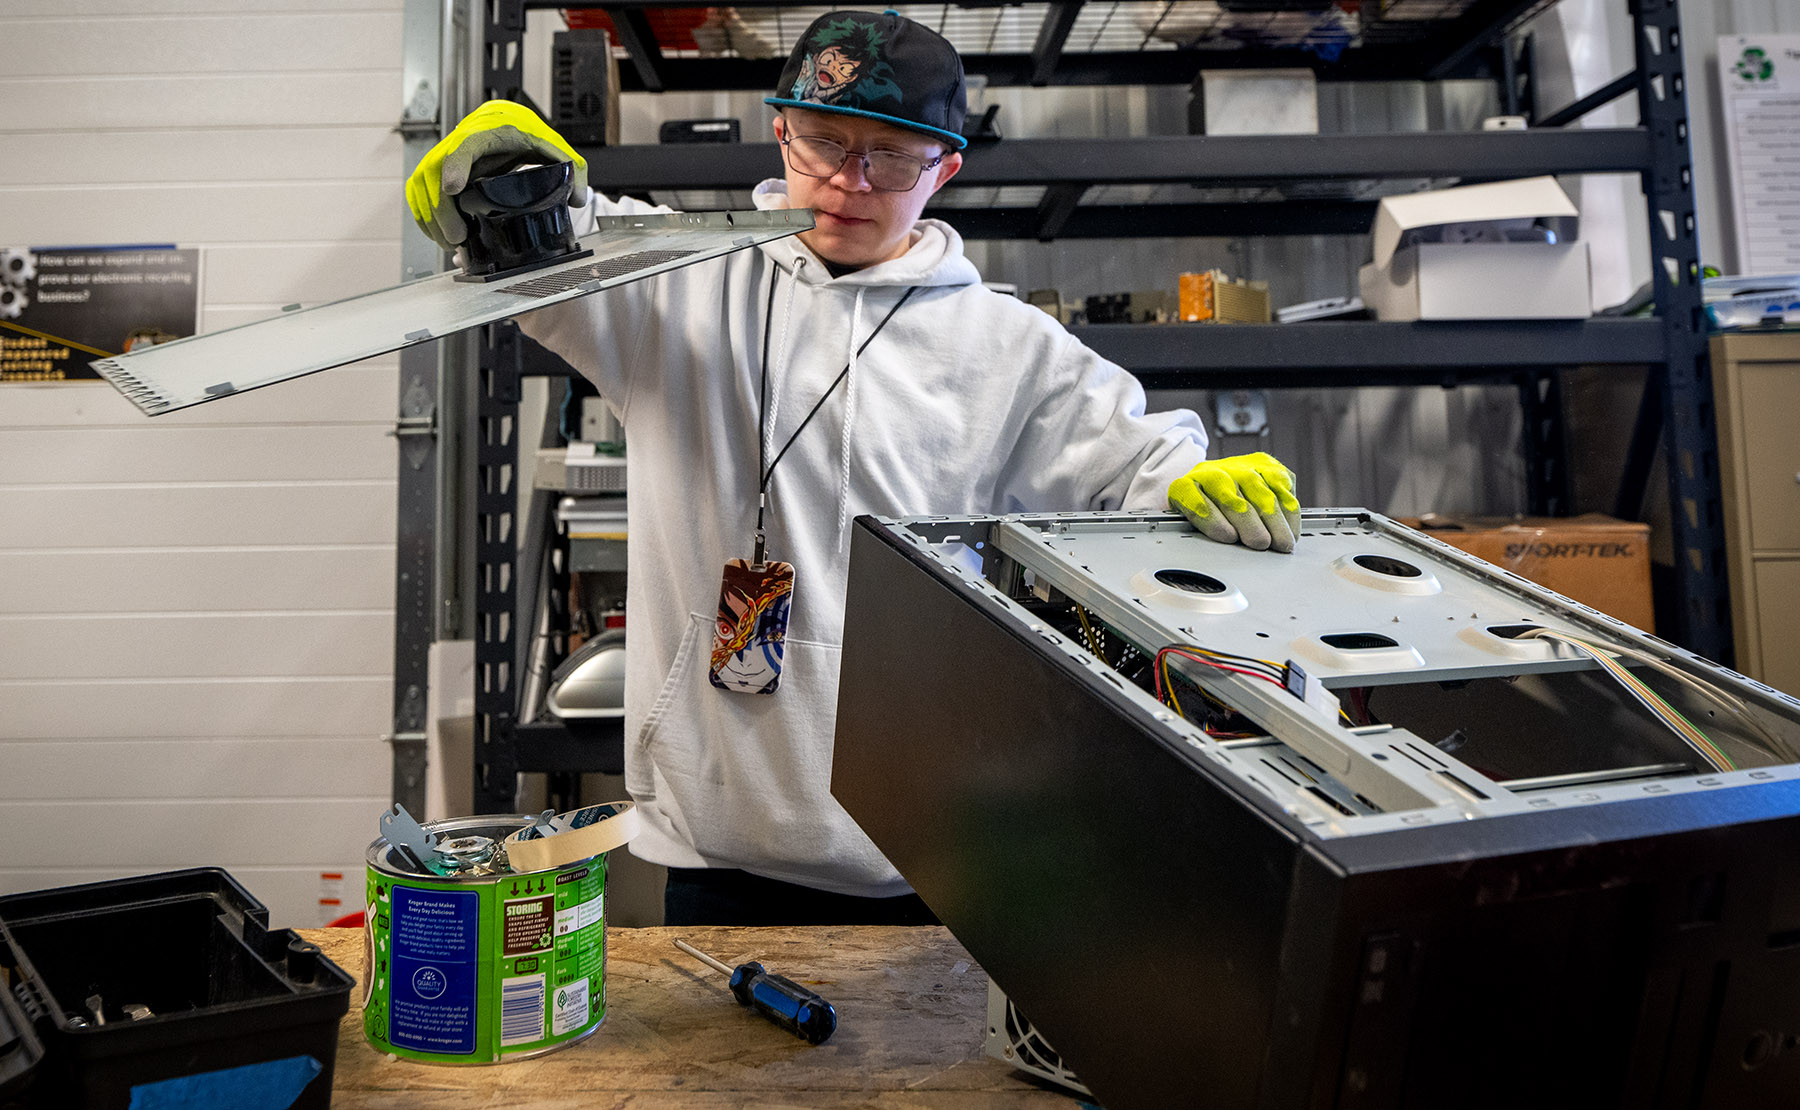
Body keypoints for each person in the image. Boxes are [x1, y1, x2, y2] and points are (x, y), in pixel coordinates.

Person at [408, 9, 1301, 925]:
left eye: (892, 157)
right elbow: (550, 236)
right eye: (823, 142)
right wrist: (498, 173)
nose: (847, 180)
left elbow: (1140, 464)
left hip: (924, 855)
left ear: (944, 170)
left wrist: (1192, 481)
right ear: (779, 131)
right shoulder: (673, 283)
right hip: (714, 840)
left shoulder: (1007, 348)